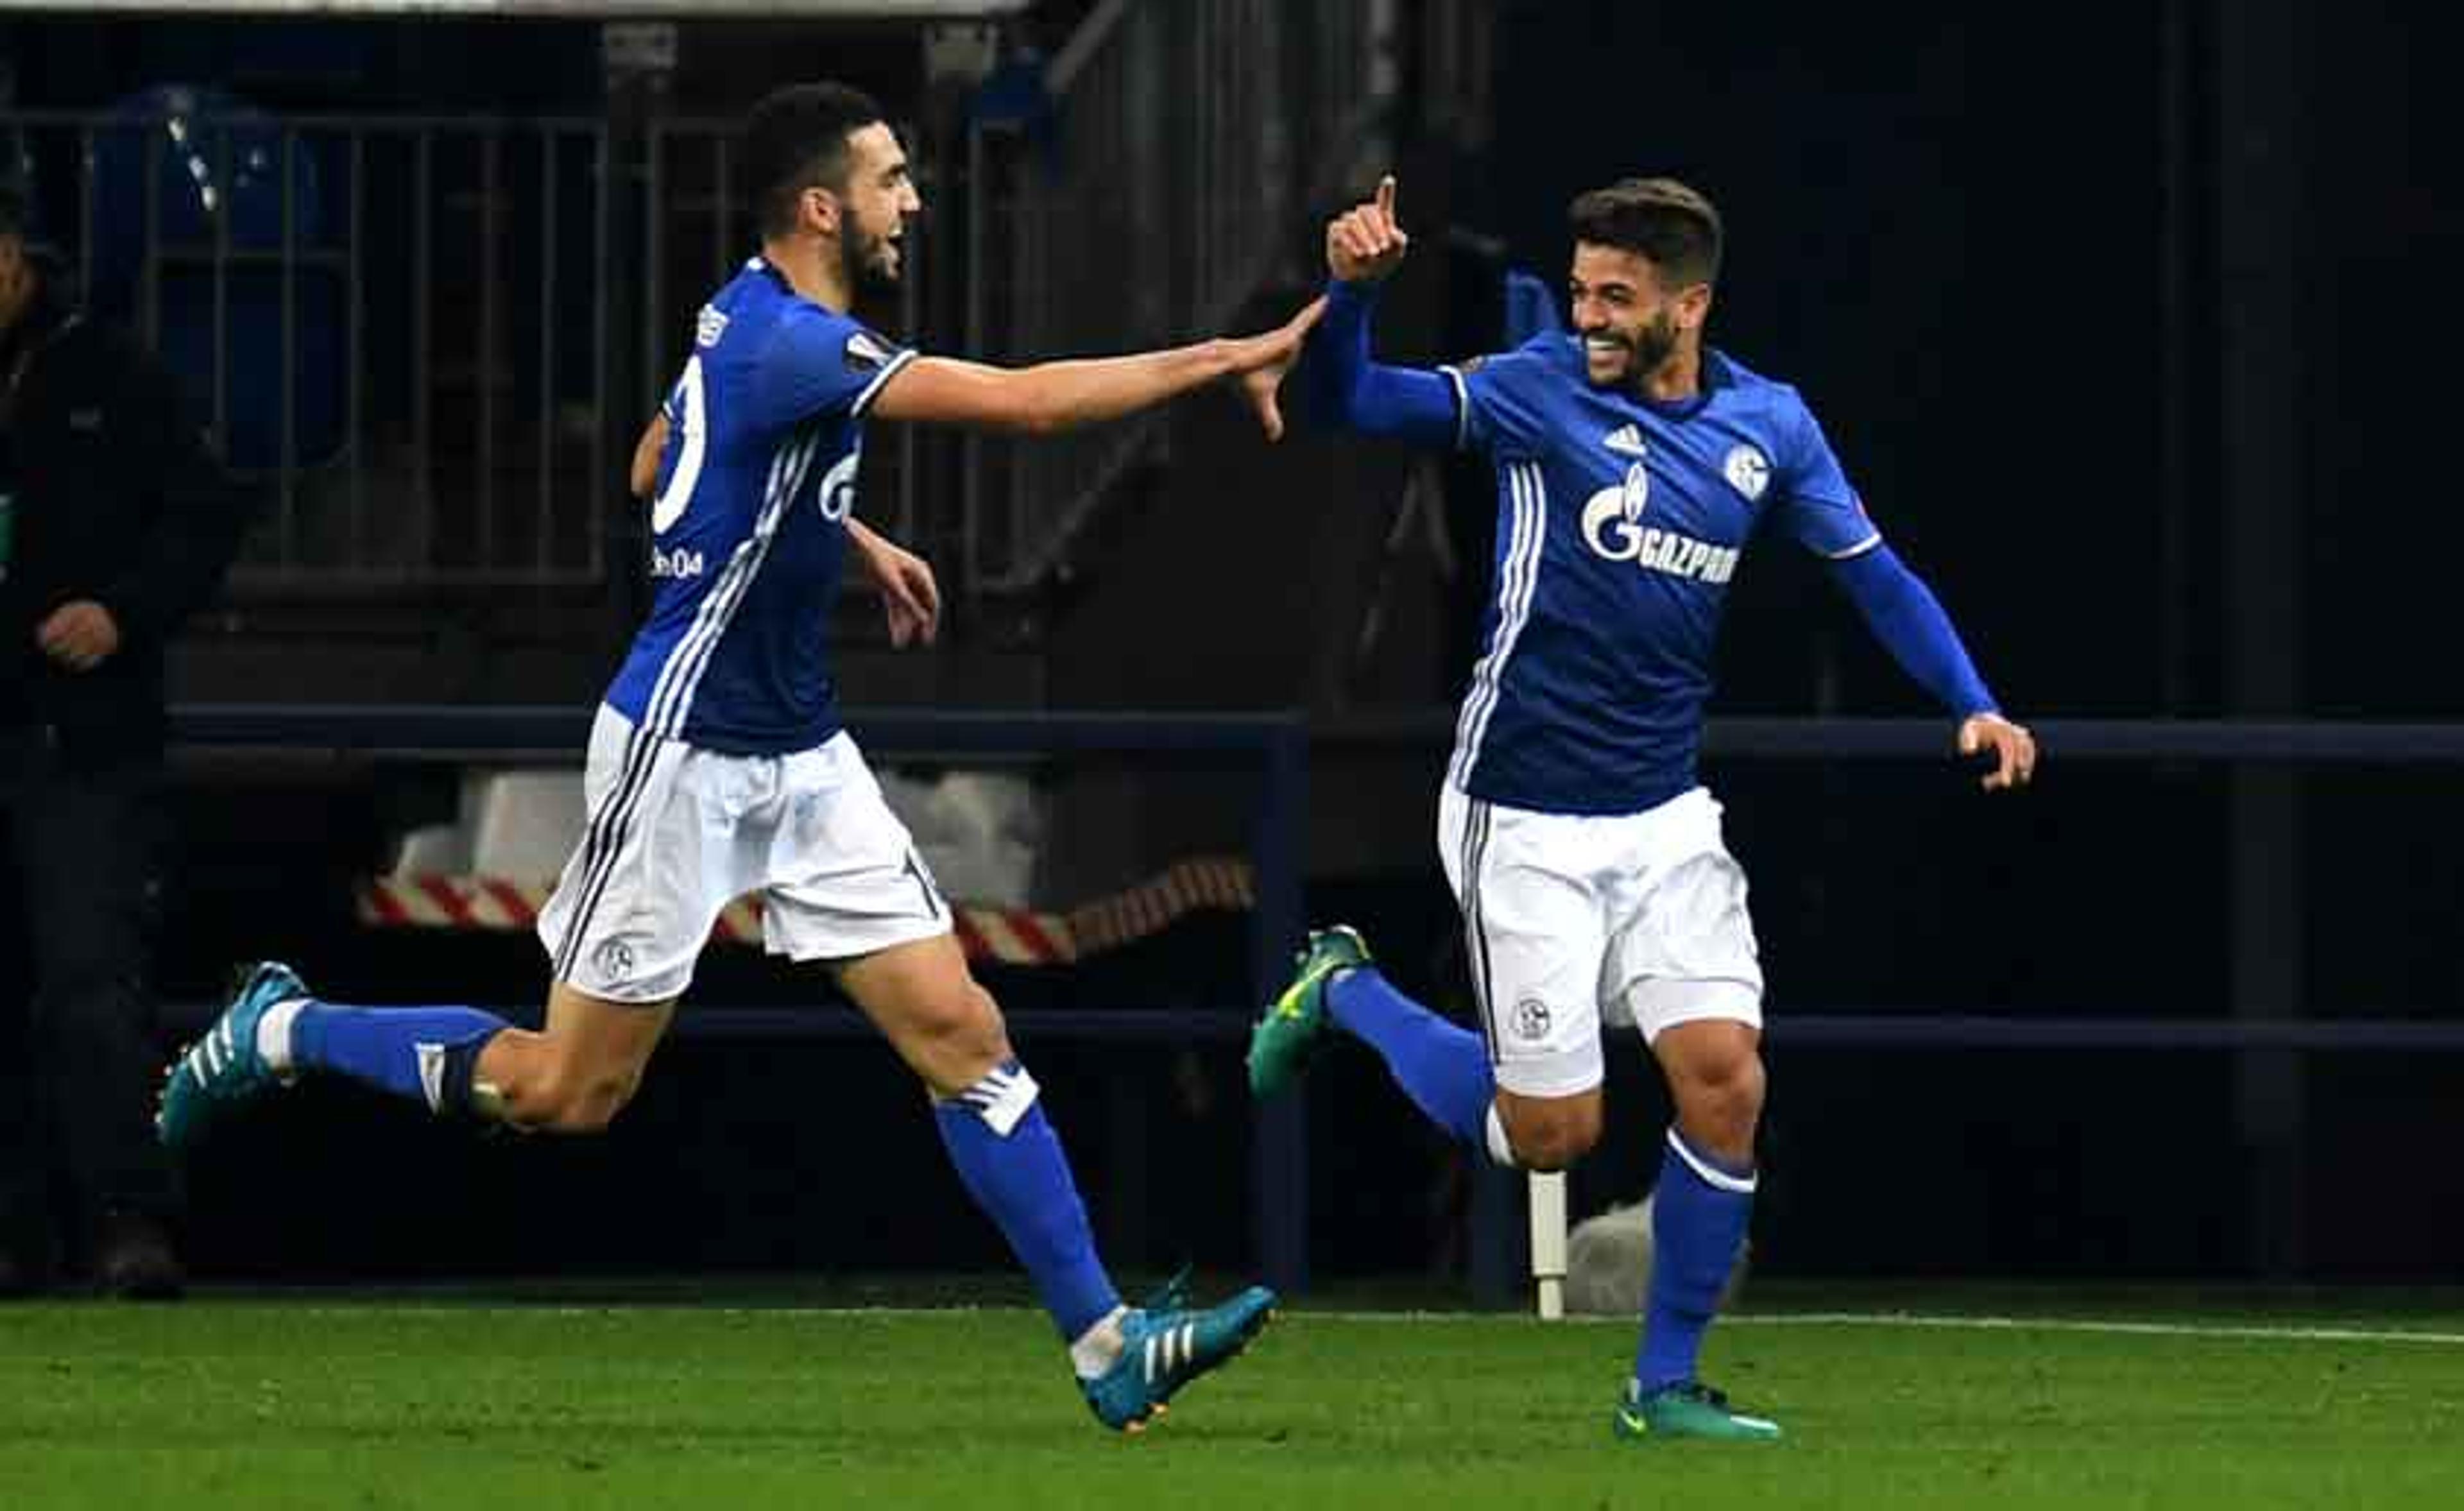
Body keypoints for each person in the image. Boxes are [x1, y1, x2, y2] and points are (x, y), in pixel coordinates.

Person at [158, 82, 1317, 1430]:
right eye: (891, 180)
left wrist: (836, 531)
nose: (913, 201)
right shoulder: (792, 345)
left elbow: (659, 460)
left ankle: (1106, 1342)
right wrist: (1221, 358)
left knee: (962, 1030)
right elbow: (1028, 406)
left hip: (801, 753)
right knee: (564, 1089)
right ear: (823, 207)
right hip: (682, 754)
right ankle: (282, 1027)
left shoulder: (742, 316)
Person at [1247, 176, 2036, 1441]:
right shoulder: (1533, 388)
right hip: (1527, 815)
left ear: (1691, 301)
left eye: (1617, 296)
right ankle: (1345, 989)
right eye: (1580, 291)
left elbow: (1874, 573)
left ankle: (1661, 1384)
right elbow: (1350, 401)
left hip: (1664, 815)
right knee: (1553, 1133)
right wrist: (1352, 296)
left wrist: (1974, 700)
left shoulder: (1770, 426)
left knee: (1726, 1082)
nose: (1591, 316)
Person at [0, 181, 252, 1297]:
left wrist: (122, 610)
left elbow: (206, 513)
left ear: (17, 257)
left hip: (80, 735)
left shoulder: (109, 372)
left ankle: (123, 1221)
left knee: (89, 982)